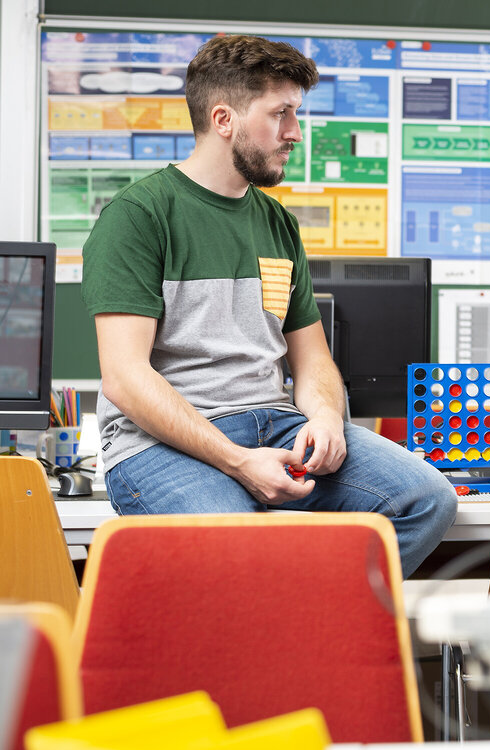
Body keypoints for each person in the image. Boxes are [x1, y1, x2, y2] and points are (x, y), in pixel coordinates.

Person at [81, 35, 457, 577]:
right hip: (162, 445)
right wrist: (237, 461)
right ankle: (297, 641)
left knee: (424, 500)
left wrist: (326, 416)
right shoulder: (138, 216)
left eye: (295, 115)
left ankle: (305, 636)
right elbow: (124, 377)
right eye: (281, 115)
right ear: (224, 119)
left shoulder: (277, 223)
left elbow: (313, 361)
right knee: (245, 552)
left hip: (277, 429)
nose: (295, 134)